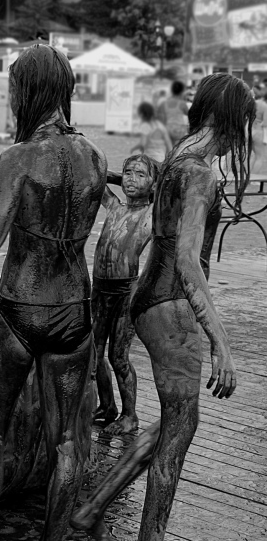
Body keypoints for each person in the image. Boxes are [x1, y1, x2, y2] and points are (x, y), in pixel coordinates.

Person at [71, 73, 252, 541]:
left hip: (148, 298)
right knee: (182, 425)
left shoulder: (177, 157)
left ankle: (95, 507)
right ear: (232, 119)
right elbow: (191, 264)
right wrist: (221, 343)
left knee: (174, 417)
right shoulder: (199, 173)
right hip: (172, 305)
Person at [0, 45, 107, 541]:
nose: (10, 99)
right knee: (68, 439)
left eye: (13, 90)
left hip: (18, 306)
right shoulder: (95, 158)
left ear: (28, 92)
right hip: (73, 310)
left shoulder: (17, 159)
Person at [91, 155, 156, 436]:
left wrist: (150, 184)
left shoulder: (153, 214)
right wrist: (118, 177)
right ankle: (107, 406)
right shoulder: (115, 207)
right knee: (93, 353)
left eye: (140, 174)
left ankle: (131, 415)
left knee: (118, 356)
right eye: (128, 173)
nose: (131, 179)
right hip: (100, 288)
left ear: (153, 182)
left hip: (125, 292)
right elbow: (96, 177)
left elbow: (171, 188)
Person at [156, 80, 189, 145]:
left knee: (168, 149)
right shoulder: (182, 103)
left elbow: (161, 119)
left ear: (172, 90)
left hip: (168, 128)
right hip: (179, 129)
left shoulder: (164, 103)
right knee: (177, 149)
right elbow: (189, 114)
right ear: (181, 91)